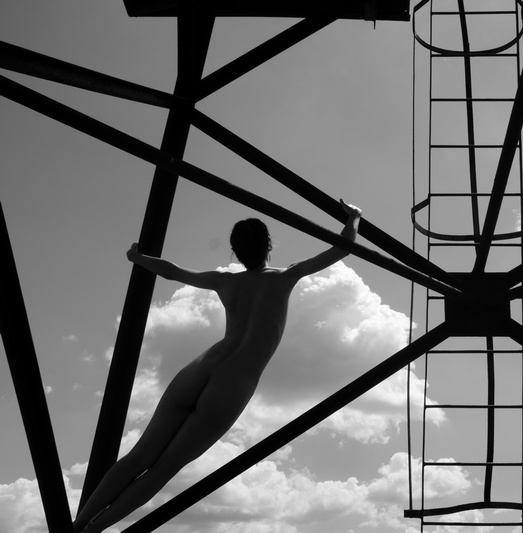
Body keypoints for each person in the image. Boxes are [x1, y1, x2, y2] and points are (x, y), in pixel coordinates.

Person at [73, 200, 362, 533]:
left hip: (200, 368)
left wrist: (137, 258)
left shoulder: (226, 282)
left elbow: (173, 271)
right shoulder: (285, 277)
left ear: (235, 253)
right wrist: (354, 218)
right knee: (163, 468)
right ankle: (94, 530)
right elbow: (343, 247)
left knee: (139, 457)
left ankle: (78, 523)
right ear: (269, 245)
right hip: (233, 383)